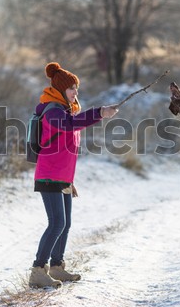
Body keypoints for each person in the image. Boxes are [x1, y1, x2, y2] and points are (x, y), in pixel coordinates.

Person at [29, 62, 119, 288]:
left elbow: (65, 149)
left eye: (76, 88)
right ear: (60, 89)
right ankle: (38, 270)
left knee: (66, 223)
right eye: (71, 88)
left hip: (62, 177)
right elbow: (70, 126)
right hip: (48, 175)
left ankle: (57, 267)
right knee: (56, 223)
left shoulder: (65, 110)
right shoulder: (52, 112)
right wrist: (99, 113)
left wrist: (70, 179)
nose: (75, 93)